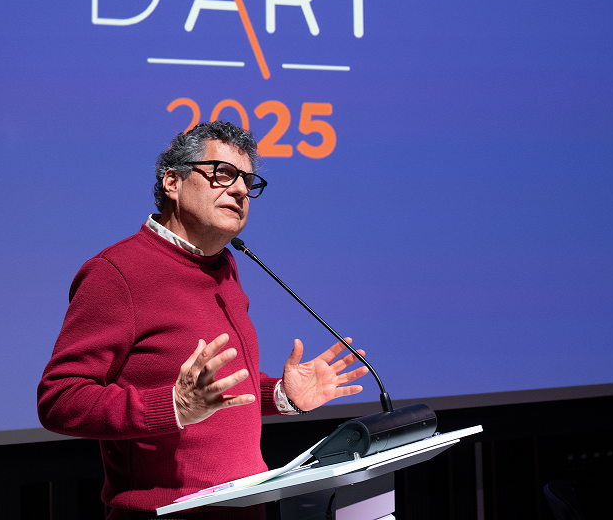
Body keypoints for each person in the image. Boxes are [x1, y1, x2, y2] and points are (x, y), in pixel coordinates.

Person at [38, 121, 368, 519]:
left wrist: (282, 395)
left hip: (247, 507)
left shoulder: (224, 265)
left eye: (247, 180)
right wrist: (172, 406)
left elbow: (214, 392)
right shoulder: (117, 272)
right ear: (173, 182)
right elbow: (60, 399)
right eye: (223, 173)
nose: (241, 189)